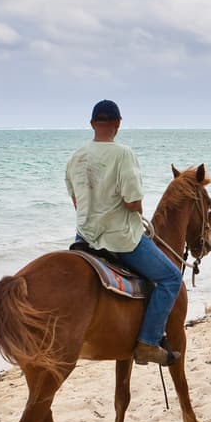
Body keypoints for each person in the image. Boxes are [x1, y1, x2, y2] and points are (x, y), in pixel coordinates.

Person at [64, 99, 182, 366]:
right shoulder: (123, 154)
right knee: (171, 278)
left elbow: (76, 203)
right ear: (118, 124)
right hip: (119, 238)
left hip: (84, 238)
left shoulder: (75, 158)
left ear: (92, 124)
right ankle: (148, 343)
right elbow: (133, 203)